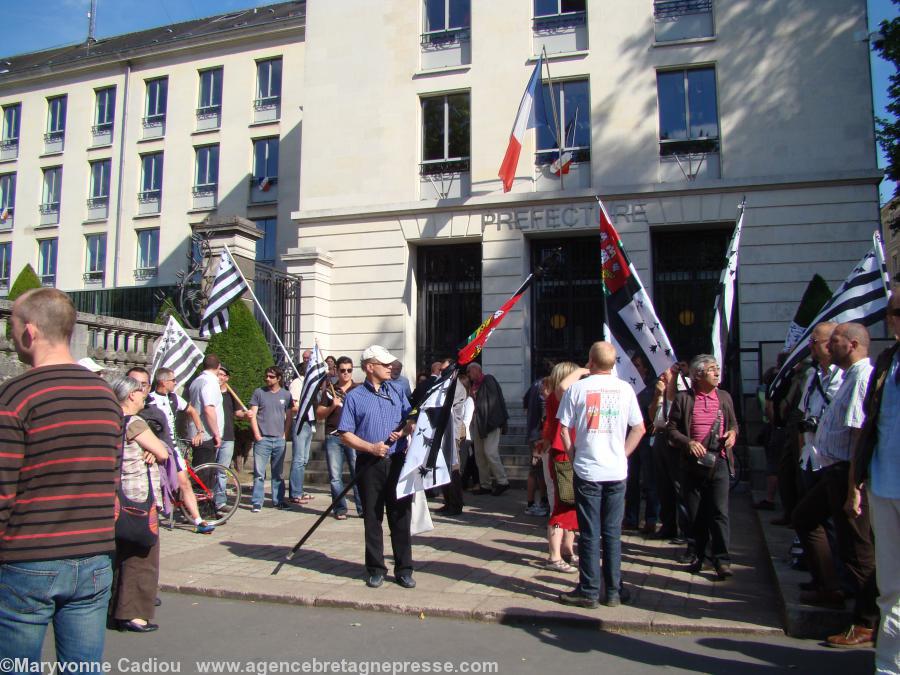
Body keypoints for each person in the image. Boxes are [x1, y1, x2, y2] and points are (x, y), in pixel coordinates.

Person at [0, 288, 122, 666]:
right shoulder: (105, 396)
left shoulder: (16, 395)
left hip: (28, 557)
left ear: (29, 333)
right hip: (94, 555)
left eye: (12, 326)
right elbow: (110, 480)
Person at [792, 322, 878, 648]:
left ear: (852, 344)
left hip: (845, 474)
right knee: (804, 517)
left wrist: (855, 485)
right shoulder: (847, 376)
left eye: (835, 340)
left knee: (856, 550)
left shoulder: (859, 378)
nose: (828, 346)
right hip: (829, 469)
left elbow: (858, 435)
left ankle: (867, 620)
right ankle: (829, 587)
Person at [557, 342, 646, 608]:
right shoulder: (625, 389)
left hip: (588, 469)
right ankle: (614, 591)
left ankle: (589, 590)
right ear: (614, 363)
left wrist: (574, 457)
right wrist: (623, 455)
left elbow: (563, 429)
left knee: (589, 531)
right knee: (612, 532)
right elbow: (639, 429)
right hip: (616, 471)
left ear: (590, 361)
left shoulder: (577, 389)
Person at [848, 287, 899, 670]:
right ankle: (888, 666)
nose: (892, 318)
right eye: (892, 312)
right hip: (883, 485)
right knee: (891, 591)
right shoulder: (887, 362)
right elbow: (870, 424)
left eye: (896, 311)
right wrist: (858, 480)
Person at [337, 345, 416, 589]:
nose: (390, 367)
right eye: (384, 364)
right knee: (372, 517)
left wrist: (405, 429)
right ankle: (376, 568)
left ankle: (404, 569)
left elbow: (411, 418)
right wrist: (371, 448)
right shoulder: (355, 397)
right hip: (370, 463)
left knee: (400, 516)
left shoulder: (397, 390)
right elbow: (345, 434)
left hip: (397, 461)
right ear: (370, 367)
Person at [667, 354, 739, 580]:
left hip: (718, 462)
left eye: (717, 369)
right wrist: (688, 442)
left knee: (719, 511)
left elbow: (734, 423)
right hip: (692, 464)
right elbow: (671, 430)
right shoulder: (683, 399)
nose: (717, 373)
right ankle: (701, 556)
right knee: (696, 513)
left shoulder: (725, 397)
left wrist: (732, 434)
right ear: (698, 375)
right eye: (712, 369)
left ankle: (722, 559)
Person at [109, 375, 169, 633]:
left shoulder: (111, 421)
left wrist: (152, 448)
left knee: (118, 556)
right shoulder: (134, 422)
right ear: (130, 395)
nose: (145, 394)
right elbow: (164, 452)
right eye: (141, 390)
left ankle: (115, 608)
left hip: (116, 497)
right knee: (142, 555)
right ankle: (135, 614)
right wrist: (155, 448)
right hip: (138, 498)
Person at [134, 366, 215, 534]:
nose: (176, 383)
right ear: (163, 382)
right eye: (173, 380)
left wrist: (200, 431)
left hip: (172, 447)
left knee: (184, 483)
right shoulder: (148, 400)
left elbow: (192, 410)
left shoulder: (174, 398)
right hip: (154, 447)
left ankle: (198, 520)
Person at [540, 361, 587, 573]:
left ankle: (567, 548)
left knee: (572, 504)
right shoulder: (559, 396)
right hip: (562, 454)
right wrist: (582, 370)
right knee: (562, 503)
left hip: (572, 453)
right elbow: (562, 388)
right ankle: (554, 556)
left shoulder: (567, 397)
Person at [316, 356, 363, 519]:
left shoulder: (358, 390)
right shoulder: (330, 390)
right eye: (342, 370)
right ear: (336, 370)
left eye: (349, 370)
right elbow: (319, 414)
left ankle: (362, 508)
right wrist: (332, 406)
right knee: (335, 476)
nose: (346, 373)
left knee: (357, 474)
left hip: (353, 437)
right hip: (333, 436)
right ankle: (340, 509)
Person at [648, 364, 687, 541]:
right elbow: (652, 416)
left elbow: (674, 406)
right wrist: (657, 395)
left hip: (675, 441)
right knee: (663, 486)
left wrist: (667, 389)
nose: (661, 378)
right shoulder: (661, 391)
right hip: (660, 438)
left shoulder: (681, 391)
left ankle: (685, 529)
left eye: (664, 374)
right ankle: (668, 525)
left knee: (679, 487)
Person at [249, 366, 294, 512]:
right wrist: (257, 435)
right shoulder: (259, 393)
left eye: (271, 376)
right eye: (266, 376)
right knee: (259, 473)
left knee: (278, 473)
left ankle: (278, 500)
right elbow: (253, 415)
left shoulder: (286, 395)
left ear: (279, 378)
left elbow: (288, 417)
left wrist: (284, 434)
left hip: (279, 439)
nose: (267, 378)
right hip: (263, 439)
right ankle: (257, 501)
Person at [467, 362, 510, 495]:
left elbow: (492, 402)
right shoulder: (473, 385)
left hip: (490, 423)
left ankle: (503, 481)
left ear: (476, 370)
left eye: (470, 372)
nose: (469, 375)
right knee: (479, 454)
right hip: (478, 423)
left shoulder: (488, 380)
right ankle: (485, 484)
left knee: (490, 452)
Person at [217, 366, 254, 509]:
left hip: (227, 435)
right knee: (210, 469)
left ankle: (220, 501)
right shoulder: (211, 391)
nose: (219, 377)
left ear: (227, 378)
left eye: (222, 375)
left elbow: (237, 412)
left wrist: (246, 415)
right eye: (218, 374)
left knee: (222, 470)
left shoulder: (232, 394)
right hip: (213, 436)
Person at [186, 354, 224, 468]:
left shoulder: (197, 381)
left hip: (197, 432)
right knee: (205, 475)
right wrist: (216, 434)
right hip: (206, 435)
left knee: (201, 472)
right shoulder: (210, 382)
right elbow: (209, 409)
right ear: (219, 367)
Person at [288, 349, 315, 505]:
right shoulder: (297, 383)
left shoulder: (308, 384)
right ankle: (295, 493)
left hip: (309, 421)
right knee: (298, 459)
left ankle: (299, 489)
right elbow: (295, 406)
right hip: (300, 422)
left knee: (304, 459)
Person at [523, 373, 549, 517]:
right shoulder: (544, 386)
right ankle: (541, 502)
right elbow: (545, 416)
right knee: (541, 471)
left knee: (534, 471)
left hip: (532, 432)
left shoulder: (534, 385)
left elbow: (525, 404)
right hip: (539, 435)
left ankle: (531, 502)